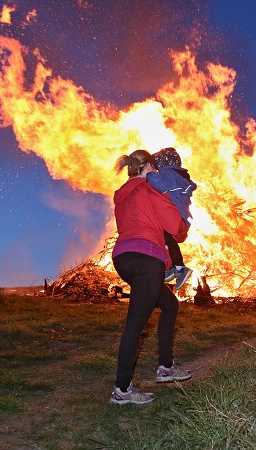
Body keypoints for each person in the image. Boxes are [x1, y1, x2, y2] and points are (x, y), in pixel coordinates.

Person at [110, 149, 192, 405]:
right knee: (135, 323)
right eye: (156, 169)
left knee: (170, 305)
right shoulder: (150, 189)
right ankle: (121, 390)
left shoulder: (122, 195)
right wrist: (183, 223)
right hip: (147, 259)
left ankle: (166, 368)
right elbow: (176, 230)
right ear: (149, 168)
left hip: (123, 258)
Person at [147, 147, 197, 290]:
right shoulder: (180, 176)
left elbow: (158, 183)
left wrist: (149, 175)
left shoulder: (168, 174)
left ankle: (179, 268)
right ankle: (173, 268)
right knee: (167, 239)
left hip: (173, 215)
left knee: (161, 237)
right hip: (181, 216)